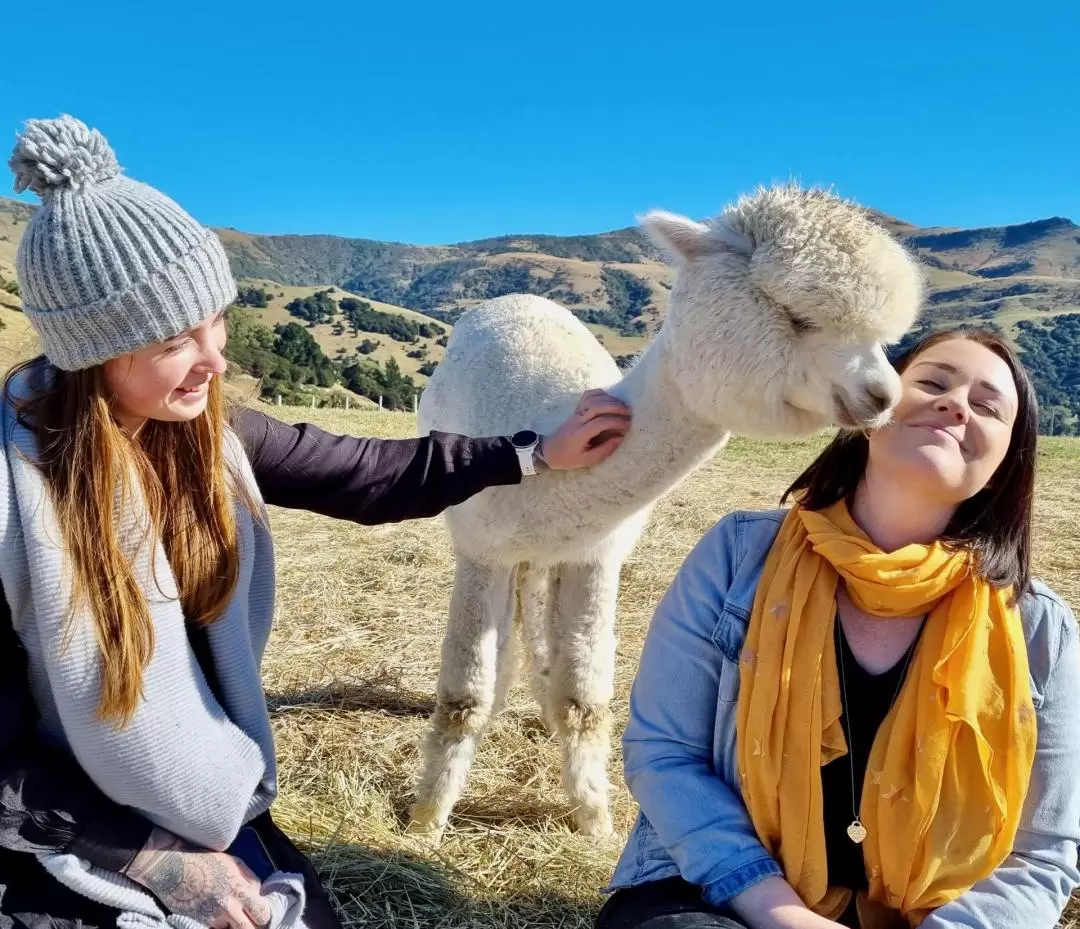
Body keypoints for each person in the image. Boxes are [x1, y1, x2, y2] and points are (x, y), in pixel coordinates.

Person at [0, 115, 631, 929]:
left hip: (204, 803)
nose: (216, 359)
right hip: (58, 829)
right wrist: (156, 861)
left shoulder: (209, 440)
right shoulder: (16, 503)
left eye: (216, 321)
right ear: (95, 350)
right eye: (173, 340)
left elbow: (366, 473)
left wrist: (534, 454)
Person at [599, 328, 1080, 929]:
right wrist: (781, 914)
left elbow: (1043, 851)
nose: (954, 404)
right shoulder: (738, 554)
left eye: (987, 406)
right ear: (870, 409)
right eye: (931, 383)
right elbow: (665, 753)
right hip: (719, 897)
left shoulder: (1039, 628)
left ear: (1004, 466)